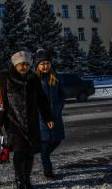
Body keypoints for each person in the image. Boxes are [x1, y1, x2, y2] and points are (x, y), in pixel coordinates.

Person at [0, 51, 54, 189]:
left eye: (27, 64)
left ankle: (26, 179)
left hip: (31, 122)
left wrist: (48, 117)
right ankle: (19, 181)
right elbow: (1, 103)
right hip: (13, 122)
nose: (25, 67)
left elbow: (42, 100)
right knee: (20, 152)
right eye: (22, 65)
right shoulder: (6, 78)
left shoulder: (33, 79)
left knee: (30, 153)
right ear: (15, 65)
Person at [34, 49, 65, 180]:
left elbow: (62, 97)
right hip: (41, 119)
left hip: (56, 117)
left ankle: (42, 156)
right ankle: (48, 171)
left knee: (57, 141)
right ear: (37, 66)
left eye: (47, 63)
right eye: (42, 63)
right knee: (45, 146)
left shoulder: (56, 78)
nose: (45, 66)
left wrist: (57, 111)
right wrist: (43, 116)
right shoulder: (34, 80)